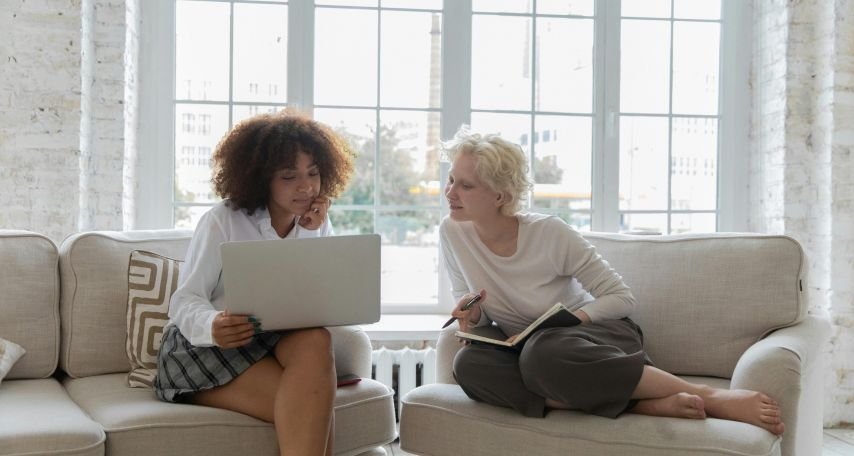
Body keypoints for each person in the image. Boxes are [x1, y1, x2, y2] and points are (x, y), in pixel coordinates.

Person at [439, 126, 785, 435]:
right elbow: (471, 302)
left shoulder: (548, 233)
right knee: (469, 365)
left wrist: (564, 322)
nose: (449, 192)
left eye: (465, 185)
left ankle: (709, 396)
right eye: (452, 179)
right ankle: (640, 405)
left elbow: (620, 297)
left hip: (592, 338)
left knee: (543, 351)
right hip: (525, 349)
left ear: (500, 196)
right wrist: (471, 316)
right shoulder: (451, 232)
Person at [154, 110, 355, 456]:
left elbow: (315, 296)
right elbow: (184, 300)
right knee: (311, 407)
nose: (306, 187)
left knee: (316, 340)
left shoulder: (316, 222)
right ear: (262, 178)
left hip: (274, 338)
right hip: (208, 345)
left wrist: (309, 234)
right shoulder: (223, 220)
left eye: (313, 173)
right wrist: (213, 325)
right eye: (289, 176)